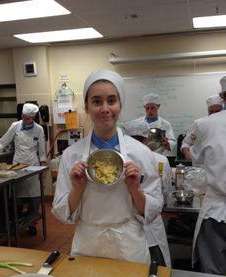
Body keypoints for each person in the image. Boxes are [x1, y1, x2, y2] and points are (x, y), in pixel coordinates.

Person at [52, 69, 163, 264]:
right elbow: (62, 213)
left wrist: (135, 189)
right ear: (86, 106)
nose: (105, 108)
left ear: (120, 105)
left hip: (129, 247)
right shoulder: (72, 155)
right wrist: (77, 189)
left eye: (111, 100)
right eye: (96, 101)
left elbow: (153, 211)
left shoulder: (141, 153)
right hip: (87, 245)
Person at [121, 120, 171, 266]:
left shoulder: (118, 160)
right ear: (146, 139)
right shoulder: (160, 160)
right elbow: (165, 191)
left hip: (125, 228)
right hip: (151, 223)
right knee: (156, 270)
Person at [190, 77, 226, 274]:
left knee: (214, 276)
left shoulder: (205, 125)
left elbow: (196, 159)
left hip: (216, 213)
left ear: (222, 97)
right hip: (216, 208)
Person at [0, 103, 46, 236]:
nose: (27, 120)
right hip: (17, 165)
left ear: (33, 118)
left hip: (33, 165)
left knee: (34, 196)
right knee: (17, 195)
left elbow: (41, 150)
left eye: (30, 118)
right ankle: (17, 222)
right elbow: (4, 141)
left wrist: (43, 165)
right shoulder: (15, 126)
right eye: (25, 117)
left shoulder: (39, 129)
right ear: (22, 115)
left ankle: (32, 223)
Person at [181, 95, 223, 161]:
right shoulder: (200, 125)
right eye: (211, 112)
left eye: (217, 111)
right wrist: (187, 154)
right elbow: (187, 142)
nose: (214, 114)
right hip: (203, 165)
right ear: (208, 111)